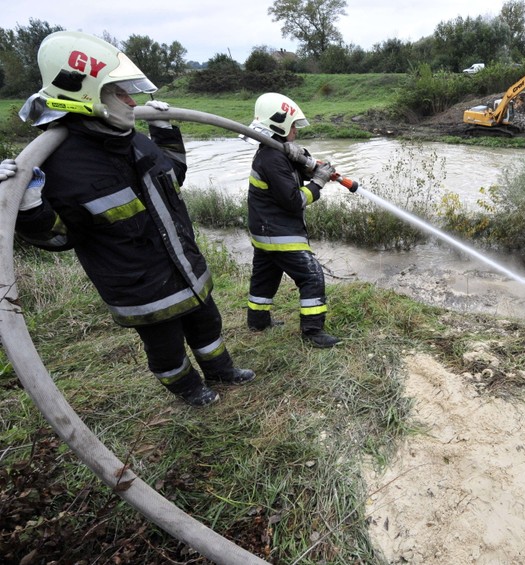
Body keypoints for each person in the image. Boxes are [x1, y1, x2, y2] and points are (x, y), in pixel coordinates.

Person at [8, 31, 254, 407]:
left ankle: (222, 370)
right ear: (87, 95)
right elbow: (58, 238)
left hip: (185, 268)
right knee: (167, 349)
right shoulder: (63, 162)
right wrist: (27, 204)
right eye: (119, 93)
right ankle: (189, 390)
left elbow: (174, 176)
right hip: (142, 289)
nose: (130, 101)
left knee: (208, 325)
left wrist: (165, 131)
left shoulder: (131, 137)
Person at [243, 93, 341, 348]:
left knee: (266, 275)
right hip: (278, 231)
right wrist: (318, 182)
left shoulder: (274, 153)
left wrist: (305, 159)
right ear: (279, 124)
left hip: (263, 230)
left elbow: (296, 169)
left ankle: (257, 320)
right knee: (311, 276)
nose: (296, 129)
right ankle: (313, 331)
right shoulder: (273, 158)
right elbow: (294, 200)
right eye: (293, 125)